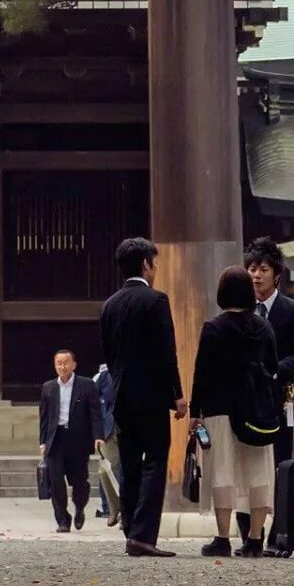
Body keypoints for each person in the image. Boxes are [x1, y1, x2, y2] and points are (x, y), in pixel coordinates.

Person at [99, 237, 186, 557]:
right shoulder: (156, 301)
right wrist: (176, 394)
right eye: (154, 263)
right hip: (150, 394)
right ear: (146, 264)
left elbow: (107, 354)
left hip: (121, 394)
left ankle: (131, 529)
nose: (156, 270)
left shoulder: (109, 305)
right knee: (156, 460)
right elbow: (166, 353)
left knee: (131, 463)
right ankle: (144, 533)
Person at [192, 266, 280, 558]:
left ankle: (222, 537)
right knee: (259, 471)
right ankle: (255, 538)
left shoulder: (214, 328)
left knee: (222, 471)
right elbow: (272, 368)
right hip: (257, 410)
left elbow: (201, 373)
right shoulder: (264, 327)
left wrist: (195, 411)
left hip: (220, 408)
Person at [241, 236, 294, 544]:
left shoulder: (292, 309)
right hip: (246, 398)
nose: (256, 275)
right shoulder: (240, 310)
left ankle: (277, 532)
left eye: (263, 269)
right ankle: (247, 533)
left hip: (280, 397)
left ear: (277, 274)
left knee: (281, 463)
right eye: (252, 269)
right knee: (245, 464)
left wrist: (277, 367)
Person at [38, 349, 103, 535]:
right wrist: (42, 441)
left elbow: (95, 413)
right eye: (58, 363)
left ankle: (80, 508)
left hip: (78, 440)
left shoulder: (87, 385)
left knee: (80, 482)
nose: (62, 366)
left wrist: (97, 435)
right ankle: (62, 520)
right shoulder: (48, 387)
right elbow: (43, 417)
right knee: (56, 482)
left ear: (74, 365)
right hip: (56, 439)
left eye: (66, 363)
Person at [93, 362, 121, 526]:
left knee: (128, 472)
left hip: (132, 426)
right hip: (108, 430)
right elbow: (93, 406)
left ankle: (128, 512)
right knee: (105, 470)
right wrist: (96, 432)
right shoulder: (103, 376)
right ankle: (113, 508)